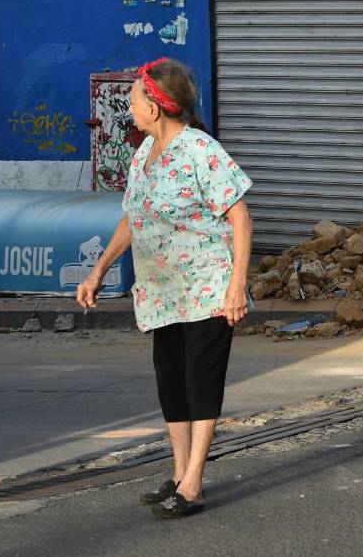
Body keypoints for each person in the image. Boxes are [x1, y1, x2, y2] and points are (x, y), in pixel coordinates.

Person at [76, 57, 252, 519]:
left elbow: (240, 216)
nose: (129, 107)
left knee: (200, 383)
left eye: (133, 99)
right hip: (162, 292)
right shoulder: (143, 156)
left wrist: (236, 285)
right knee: (171, 384)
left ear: (154, 107)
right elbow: (133, 220)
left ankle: (193, 484)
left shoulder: (201, 150)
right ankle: (178, 475)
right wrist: (98, 270)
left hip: (207, 286)